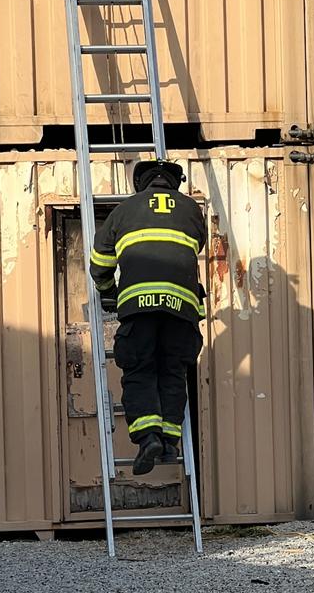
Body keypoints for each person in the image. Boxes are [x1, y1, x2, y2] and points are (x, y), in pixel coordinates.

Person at [90, 160, 207, 475]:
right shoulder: (191, 209)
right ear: (174, 184)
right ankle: (169, 441)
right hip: (180, 307)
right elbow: (194, 247)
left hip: (138, 307)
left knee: (140, 370)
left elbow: (100, 260)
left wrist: (108, 290)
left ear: (141, 183)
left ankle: (148, 438)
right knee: (172, 371)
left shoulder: (125, 210)